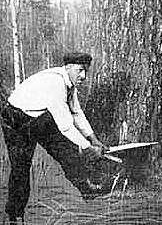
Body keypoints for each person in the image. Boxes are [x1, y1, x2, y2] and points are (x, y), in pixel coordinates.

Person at [1, 52, 112, 225]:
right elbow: (66, 126)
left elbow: (76, 113)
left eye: (86, 71)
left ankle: (86, 189)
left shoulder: (69, 83)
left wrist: (94, 139)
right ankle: (15, 216)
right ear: (68, 68)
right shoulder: (55, 85)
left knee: (66, 151)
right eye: (80, 71)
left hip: (38, 118)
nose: (84, 76)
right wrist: (88, 147)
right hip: (15, 121)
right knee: (21, 167)